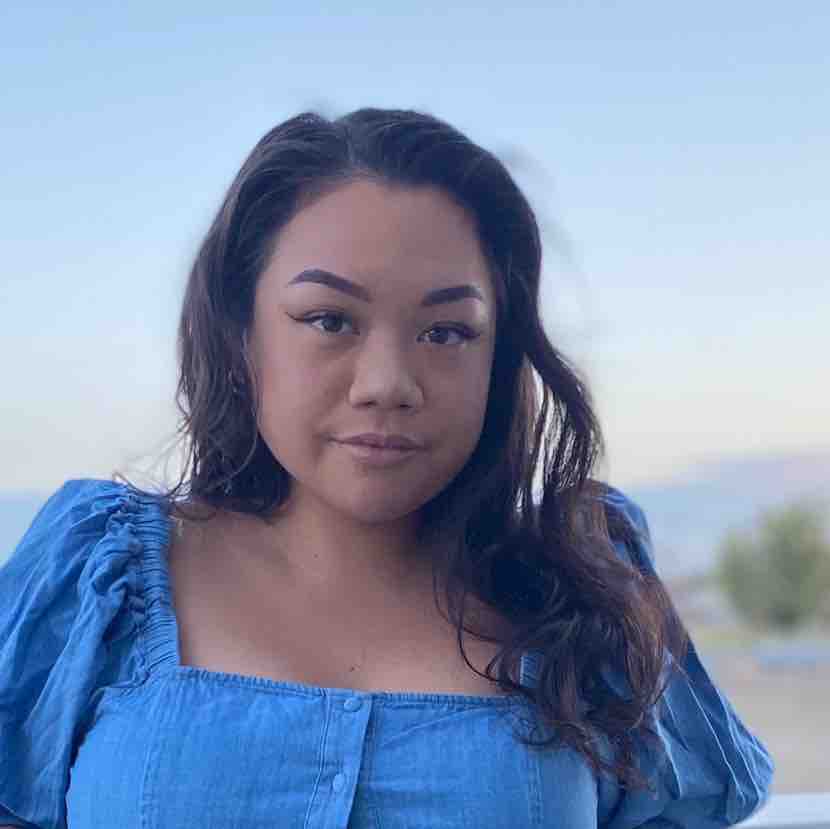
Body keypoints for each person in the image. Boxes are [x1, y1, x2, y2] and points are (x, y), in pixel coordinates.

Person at [0, 108, 773, 828]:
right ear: (240, 333)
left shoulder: (586, 587)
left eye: (446, 332)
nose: (388, 384)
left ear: (498, 355)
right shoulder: (97, 582)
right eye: (329, 319)